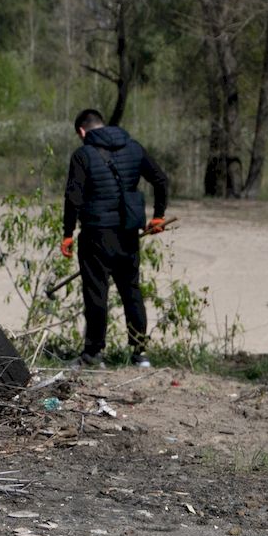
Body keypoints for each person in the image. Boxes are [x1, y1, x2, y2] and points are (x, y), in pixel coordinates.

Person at [61, 108, 169, 368]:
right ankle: (140, 353)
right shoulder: (134, 148)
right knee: (131, 291)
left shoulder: (83, 155)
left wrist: (67, 234)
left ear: (82, 131)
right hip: (128, 233)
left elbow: (73, 197)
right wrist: (158, 216)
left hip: (96, 235)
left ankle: (93, 353)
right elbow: (161, 180)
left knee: (96, 293)